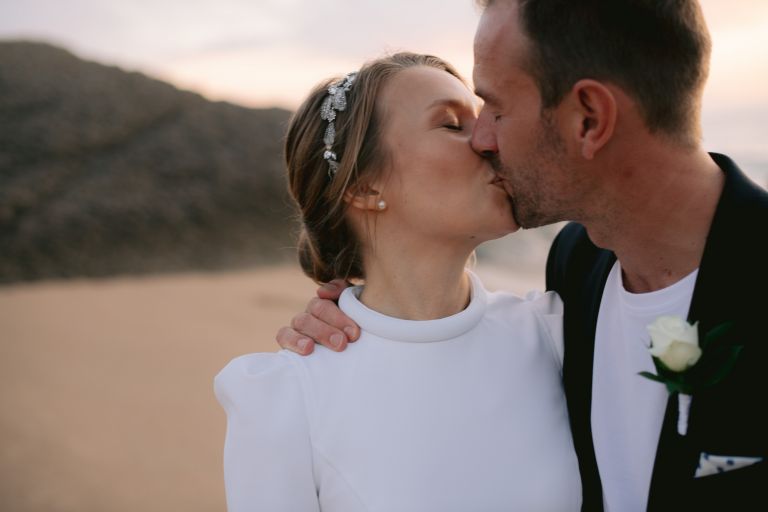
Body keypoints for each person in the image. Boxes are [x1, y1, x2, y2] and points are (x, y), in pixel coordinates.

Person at [277, 1, 768, 511]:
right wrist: (370, 329)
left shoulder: (551, 318)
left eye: (495, 108)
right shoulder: (575, 275)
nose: (484, 139)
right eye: (456, 122)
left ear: (589, 119)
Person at [215, 52, 582, 511]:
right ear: (364, 187)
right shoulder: (286, 398)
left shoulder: (557, 334)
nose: (491, 140)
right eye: (451, 124)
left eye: (486, 119)